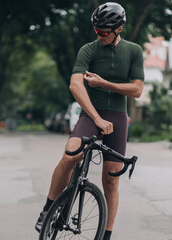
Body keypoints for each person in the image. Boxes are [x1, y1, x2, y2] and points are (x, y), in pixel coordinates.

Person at [35, 2, 144, 239]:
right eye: (96, 30)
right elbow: (75, 84)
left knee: (111, 181)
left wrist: (103, 83)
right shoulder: (88, 50)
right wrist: (95, 117)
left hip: (117, 117)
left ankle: (106, 235)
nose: (99, 35)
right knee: (71, 155)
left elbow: (137, 90)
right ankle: (47, 210)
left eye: (104, 32)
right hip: (90, 114)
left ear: (119, 29)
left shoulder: (134, 51)